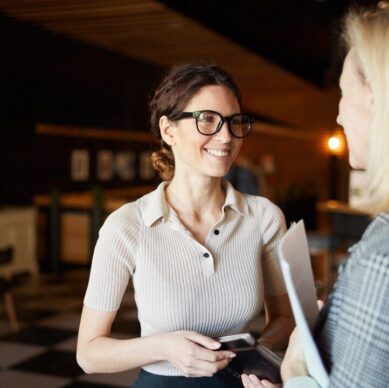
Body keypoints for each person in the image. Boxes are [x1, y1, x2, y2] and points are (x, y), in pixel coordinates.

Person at [77, 63, 294, 387]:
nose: (226, 137)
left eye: (235, 122)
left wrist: (260, 353)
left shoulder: (264, 218)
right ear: (168, 130)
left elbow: (284, 318)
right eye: (207, 120)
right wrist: (163, 347)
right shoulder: (127, 226)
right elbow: (89, 353)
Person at [241, 2, 389, 387]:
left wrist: (292, 373)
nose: (338, 116)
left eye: (342, 92)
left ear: (375, 96)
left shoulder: (382, 260)